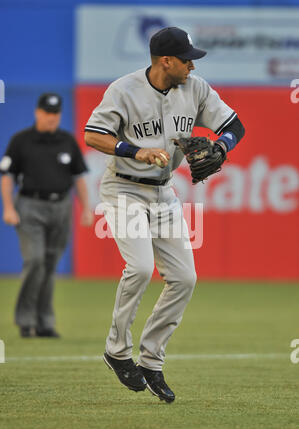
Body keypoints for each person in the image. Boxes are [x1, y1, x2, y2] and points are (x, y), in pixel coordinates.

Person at [84, 27, 245, 402]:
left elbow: (234, 125)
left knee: (185, 278)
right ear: (165, 61)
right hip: (123, 187)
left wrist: (222, 146)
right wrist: (133, 150)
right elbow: (93, 134)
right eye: (186, 58)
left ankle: (152, 360)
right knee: (139, 268)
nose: (192, 64)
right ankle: (117, 350)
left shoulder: (196, 88)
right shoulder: (123, 90)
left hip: (163, 192)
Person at [0, 93, 93, 338]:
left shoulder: (67, 141)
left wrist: (86, 207)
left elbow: (78, 177)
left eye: (56, 113)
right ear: (38, 112)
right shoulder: (21, 141)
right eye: (48, 113)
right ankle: (25, 320)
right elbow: (7, 176)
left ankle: (44, 322)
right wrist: (8, 208)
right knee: (35, 260)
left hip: (61, 206)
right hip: (30, 206)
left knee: (50, 265)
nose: (52, 117)